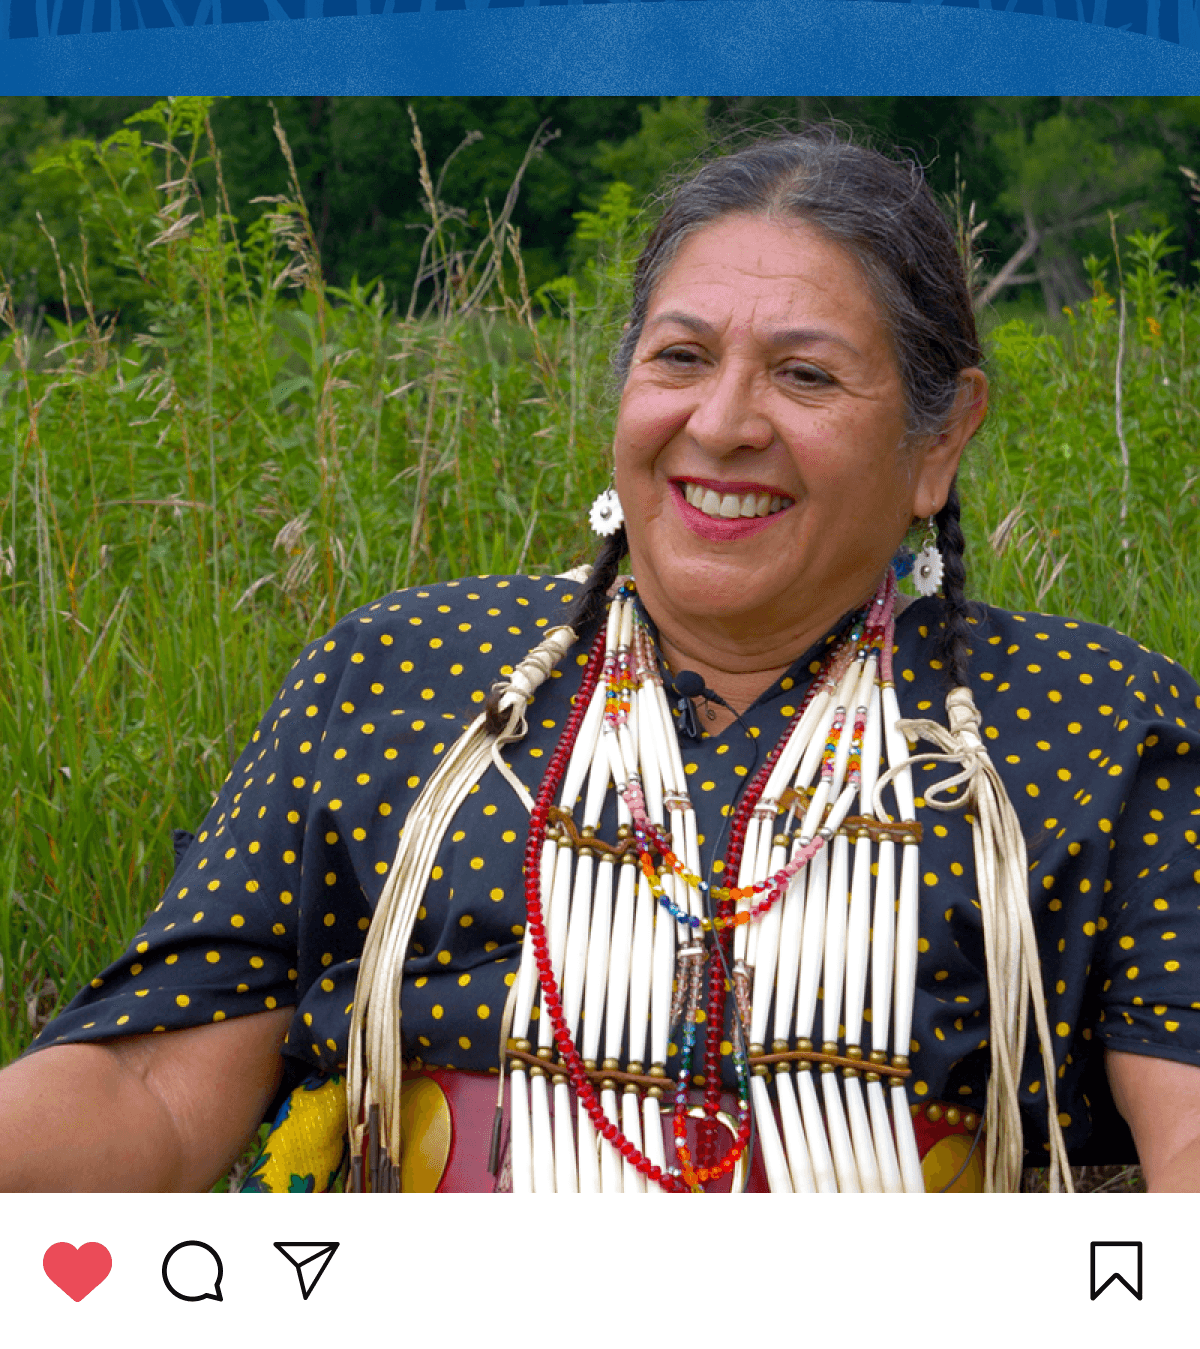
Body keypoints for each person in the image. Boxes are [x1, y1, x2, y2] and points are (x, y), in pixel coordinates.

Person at [3, 132, 1200, 1194]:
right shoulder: (402, 680)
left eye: (805, 374)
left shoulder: (1092, 726)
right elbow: (153, 1096)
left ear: (939, 439)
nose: (723, 421)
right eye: (680, 358)